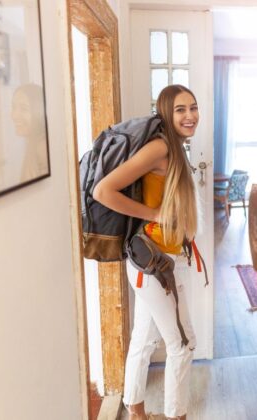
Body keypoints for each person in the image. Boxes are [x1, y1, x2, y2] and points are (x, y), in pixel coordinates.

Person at [93, 84, 199, 420]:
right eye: (180, 109)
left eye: (193, 107)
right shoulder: (160, 147)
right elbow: (102, 191)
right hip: (154, 263)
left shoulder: (177, 148)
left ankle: (136, 411)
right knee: (182, 345)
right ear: (166, 112)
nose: (190, 115)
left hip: (158, 261)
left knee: (144, 339)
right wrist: (154, 215)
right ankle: (175, 416)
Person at [11, 83, 49, 181]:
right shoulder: (33, 143)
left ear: (38, 113)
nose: (14, 115)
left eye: (24, 109)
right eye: (14, 107)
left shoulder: (41, 147)